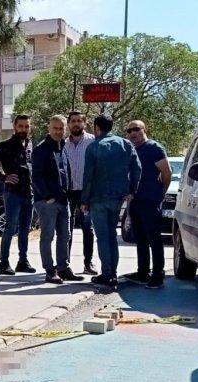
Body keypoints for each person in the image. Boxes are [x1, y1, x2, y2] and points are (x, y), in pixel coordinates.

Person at [79, 114, 141, 290]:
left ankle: (107, 273)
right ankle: (112, 271)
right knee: (112, 235)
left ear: (97, 127)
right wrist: (132, 190)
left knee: (102, 237)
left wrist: (84, 199)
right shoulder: (125, 144)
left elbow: (88, 176)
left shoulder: (93, 147)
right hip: (117, 197)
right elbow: (137, 168)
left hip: (98, 198)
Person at [0, 115, 36, 275]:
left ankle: (23, 261)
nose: (24, 129)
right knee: (10, 228)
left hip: (29, 193)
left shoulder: (29, 144)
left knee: (25, 229)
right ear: (14, 126)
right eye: (21, 126)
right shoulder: (5, 145)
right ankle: (3, 263)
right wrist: (3, 177)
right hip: (13, 193)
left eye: (27, 126)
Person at [124, 120, 171, 289]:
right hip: (135, 200)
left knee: (154, 239)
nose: (132, 133)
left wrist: (161, 192)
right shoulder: (131, 150)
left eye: (136, 129)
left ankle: (158, 275)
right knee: (140, 238)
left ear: (144, 130)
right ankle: (142, 272)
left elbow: (166, 172)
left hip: (150, 200)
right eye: (129, 131)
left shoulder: (154, 148)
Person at [31, 115, 74, 284]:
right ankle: (50, 270)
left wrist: (69, 193)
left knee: (65, 235)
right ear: (49, 128)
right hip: (47, 201)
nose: (58, 131)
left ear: (65, 129)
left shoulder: (63, 147)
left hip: (64, 200)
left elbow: (66, 172)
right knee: (48, 236)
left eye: (61, 128)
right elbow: (36, 176)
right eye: (55, 128)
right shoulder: (41, 149)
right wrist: (47, 196)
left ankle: (63, 268)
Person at [64, 112, 96, 275]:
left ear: (84, 123)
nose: (76, 124)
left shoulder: (93, 141)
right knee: (66, 229)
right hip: (68, 192)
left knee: (87, 228)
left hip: (86, 191)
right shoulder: (63, 144)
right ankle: (64, 263)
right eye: (73, 121)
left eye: (79, 121)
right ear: (68, 124)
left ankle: (88, 263)